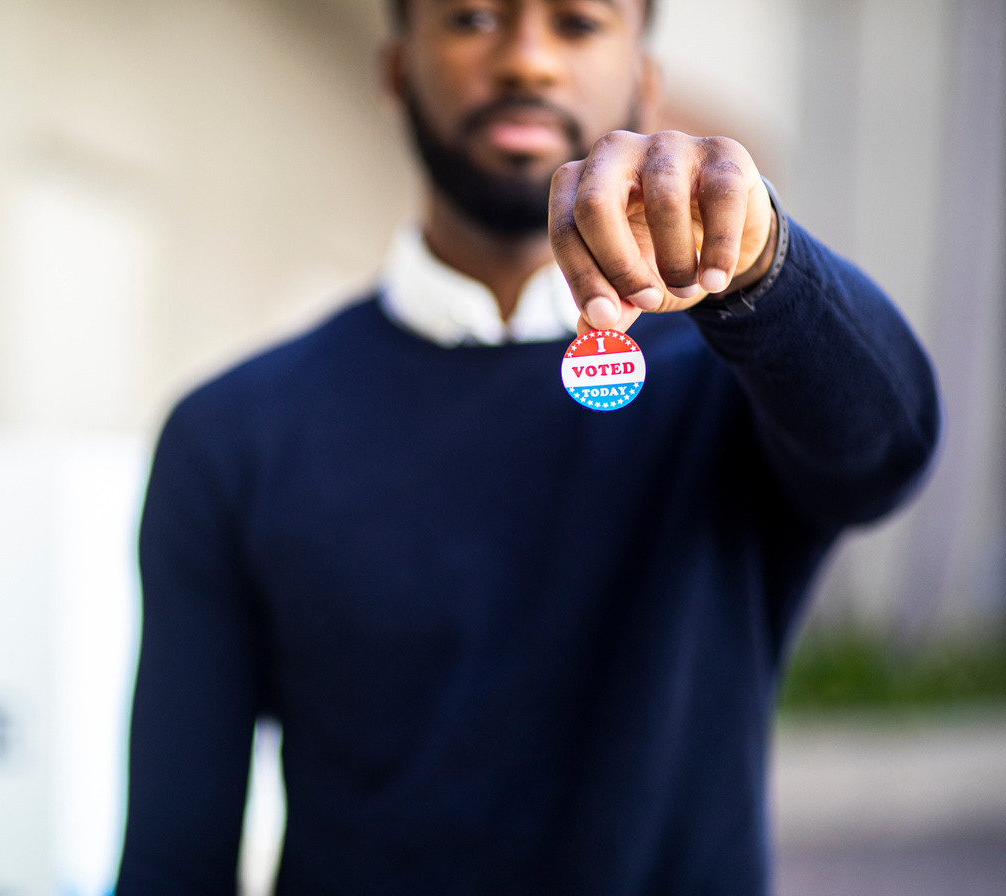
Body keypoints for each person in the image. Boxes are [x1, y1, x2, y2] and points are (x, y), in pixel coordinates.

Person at [116, 0, 940, 893]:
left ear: (645, 84)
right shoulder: (232, 436)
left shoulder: (735, 380)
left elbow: (890, 450)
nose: (528, 61)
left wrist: (765, 263)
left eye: (578, 23)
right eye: (473, 17)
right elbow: (174, 856)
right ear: (395, 72)